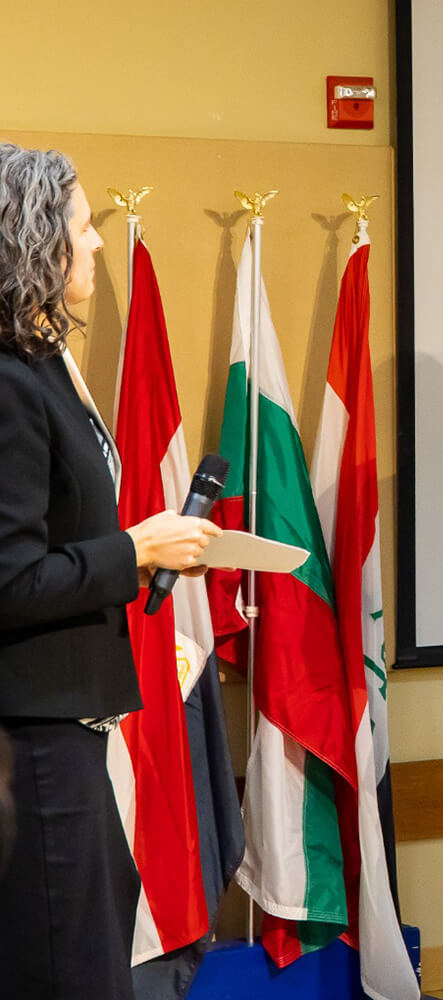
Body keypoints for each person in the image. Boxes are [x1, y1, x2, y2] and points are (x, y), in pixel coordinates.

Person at [0, 143, 221, 999]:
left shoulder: (43, 361)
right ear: (31, 242)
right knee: (71, 971)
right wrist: (137, 552)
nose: (95, 246)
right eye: (83, 227)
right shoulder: (10, 382)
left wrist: (139, 546)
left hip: (67, 727)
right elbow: (10, 578)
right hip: (33, 741)